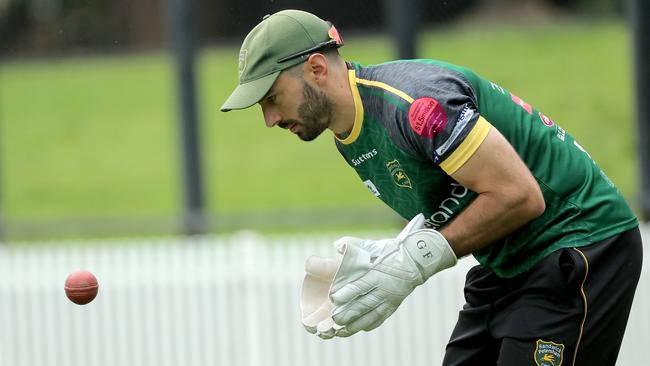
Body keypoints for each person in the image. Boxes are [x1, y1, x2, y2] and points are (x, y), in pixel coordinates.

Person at [221, 9, 643, 366]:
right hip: (507, 262)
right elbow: (457, 202)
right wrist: (391, 255)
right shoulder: (349, 136)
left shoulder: (417, 105)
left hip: (579, 243)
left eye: (272, 98)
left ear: (316, 68)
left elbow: (518, 195)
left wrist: (414, 262)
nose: (269, 119)